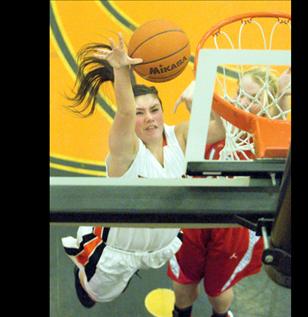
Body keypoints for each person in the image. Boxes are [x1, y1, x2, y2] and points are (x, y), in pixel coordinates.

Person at [60, 33, 226, 308]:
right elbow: (123, 112)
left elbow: (218, 130)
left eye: (154, 109)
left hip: (161, 243)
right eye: (140, 113)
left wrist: (202, 98)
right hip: (117, 251)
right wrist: (121, 71)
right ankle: (83, 269)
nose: (149, 118)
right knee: (97, 296)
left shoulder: (179, 136)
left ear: (163, 110)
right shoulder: (125, 151)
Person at [168, 66, 291, 317]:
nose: (242, 102)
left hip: (236, 223)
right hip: (194, 211)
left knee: (217, 292)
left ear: (268, 104)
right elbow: (193, 131)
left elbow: (283, 117)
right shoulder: (221, 124)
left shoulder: (269, 136)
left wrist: (283, 94)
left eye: (253, 97)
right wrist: (197, 101)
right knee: (182, 286)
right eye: (240, 94)